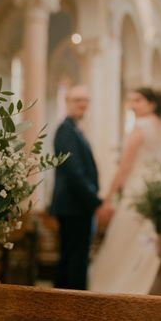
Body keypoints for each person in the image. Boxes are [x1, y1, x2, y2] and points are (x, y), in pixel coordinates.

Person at [89, 87, 161, 294]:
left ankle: (125, 287)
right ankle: (156, 286)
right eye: (130, 101)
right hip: (159, 194)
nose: (132, 105)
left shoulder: (141, 127)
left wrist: (108, 198)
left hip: (138, 192)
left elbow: (124, 168)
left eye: (138, 100)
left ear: (152, 104)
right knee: (151, 239)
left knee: (127, 241)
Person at [49, 85, 105, 290]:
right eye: (77, 100)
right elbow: (74, 172)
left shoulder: (74, 130)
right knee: (74, 261)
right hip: (73, 206)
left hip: (77, 206)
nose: (82, 104)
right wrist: (95, 201)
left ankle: (65, 306)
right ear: (67, 102)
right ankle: (73, 307)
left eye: (86, 100)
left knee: (73, 258)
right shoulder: (65, 131)